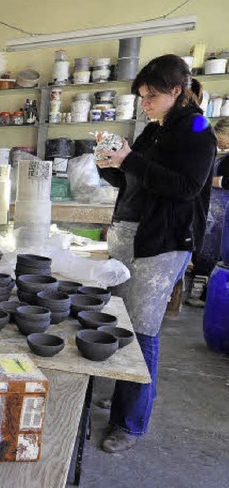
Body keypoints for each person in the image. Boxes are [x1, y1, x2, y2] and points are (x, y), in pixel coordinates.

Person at [97, 54, 216, 453]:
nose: (144, 103)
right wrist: (109, 164)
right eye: (142, 96)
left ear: (176, 91)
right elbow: (133, 176)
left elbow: (185, 187)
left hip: (162, 242)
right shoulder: (153, 129)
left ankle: (129, 423)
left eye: (151, 96)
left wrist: (131, 160)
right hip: (128, 233)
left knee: (142, 330)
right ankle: (122, 399)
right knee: (117, 323)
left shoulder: (198, 128)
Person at [187, 117, 229, 306]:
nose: (218, 141)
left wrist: (208, 182)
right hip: (214, 209)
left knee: (218, 252)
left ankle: (209, 296)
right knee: (205, 247)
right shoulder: (222, 156)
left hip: (224, 211)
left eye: (221, 137)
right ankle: (201, 292)